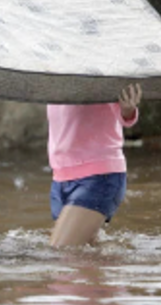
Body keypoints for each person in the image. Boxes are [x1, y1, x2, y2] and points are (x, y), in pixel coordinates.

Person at [47, 83, 142, 248]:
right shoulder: (55, 68)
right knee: (85, 256)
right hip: (61, 177)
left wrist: (128, 110)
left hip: (98, 175)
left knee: (61, 251)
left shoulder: (98, 65)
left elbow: (125, 113)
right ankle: (126, 267)